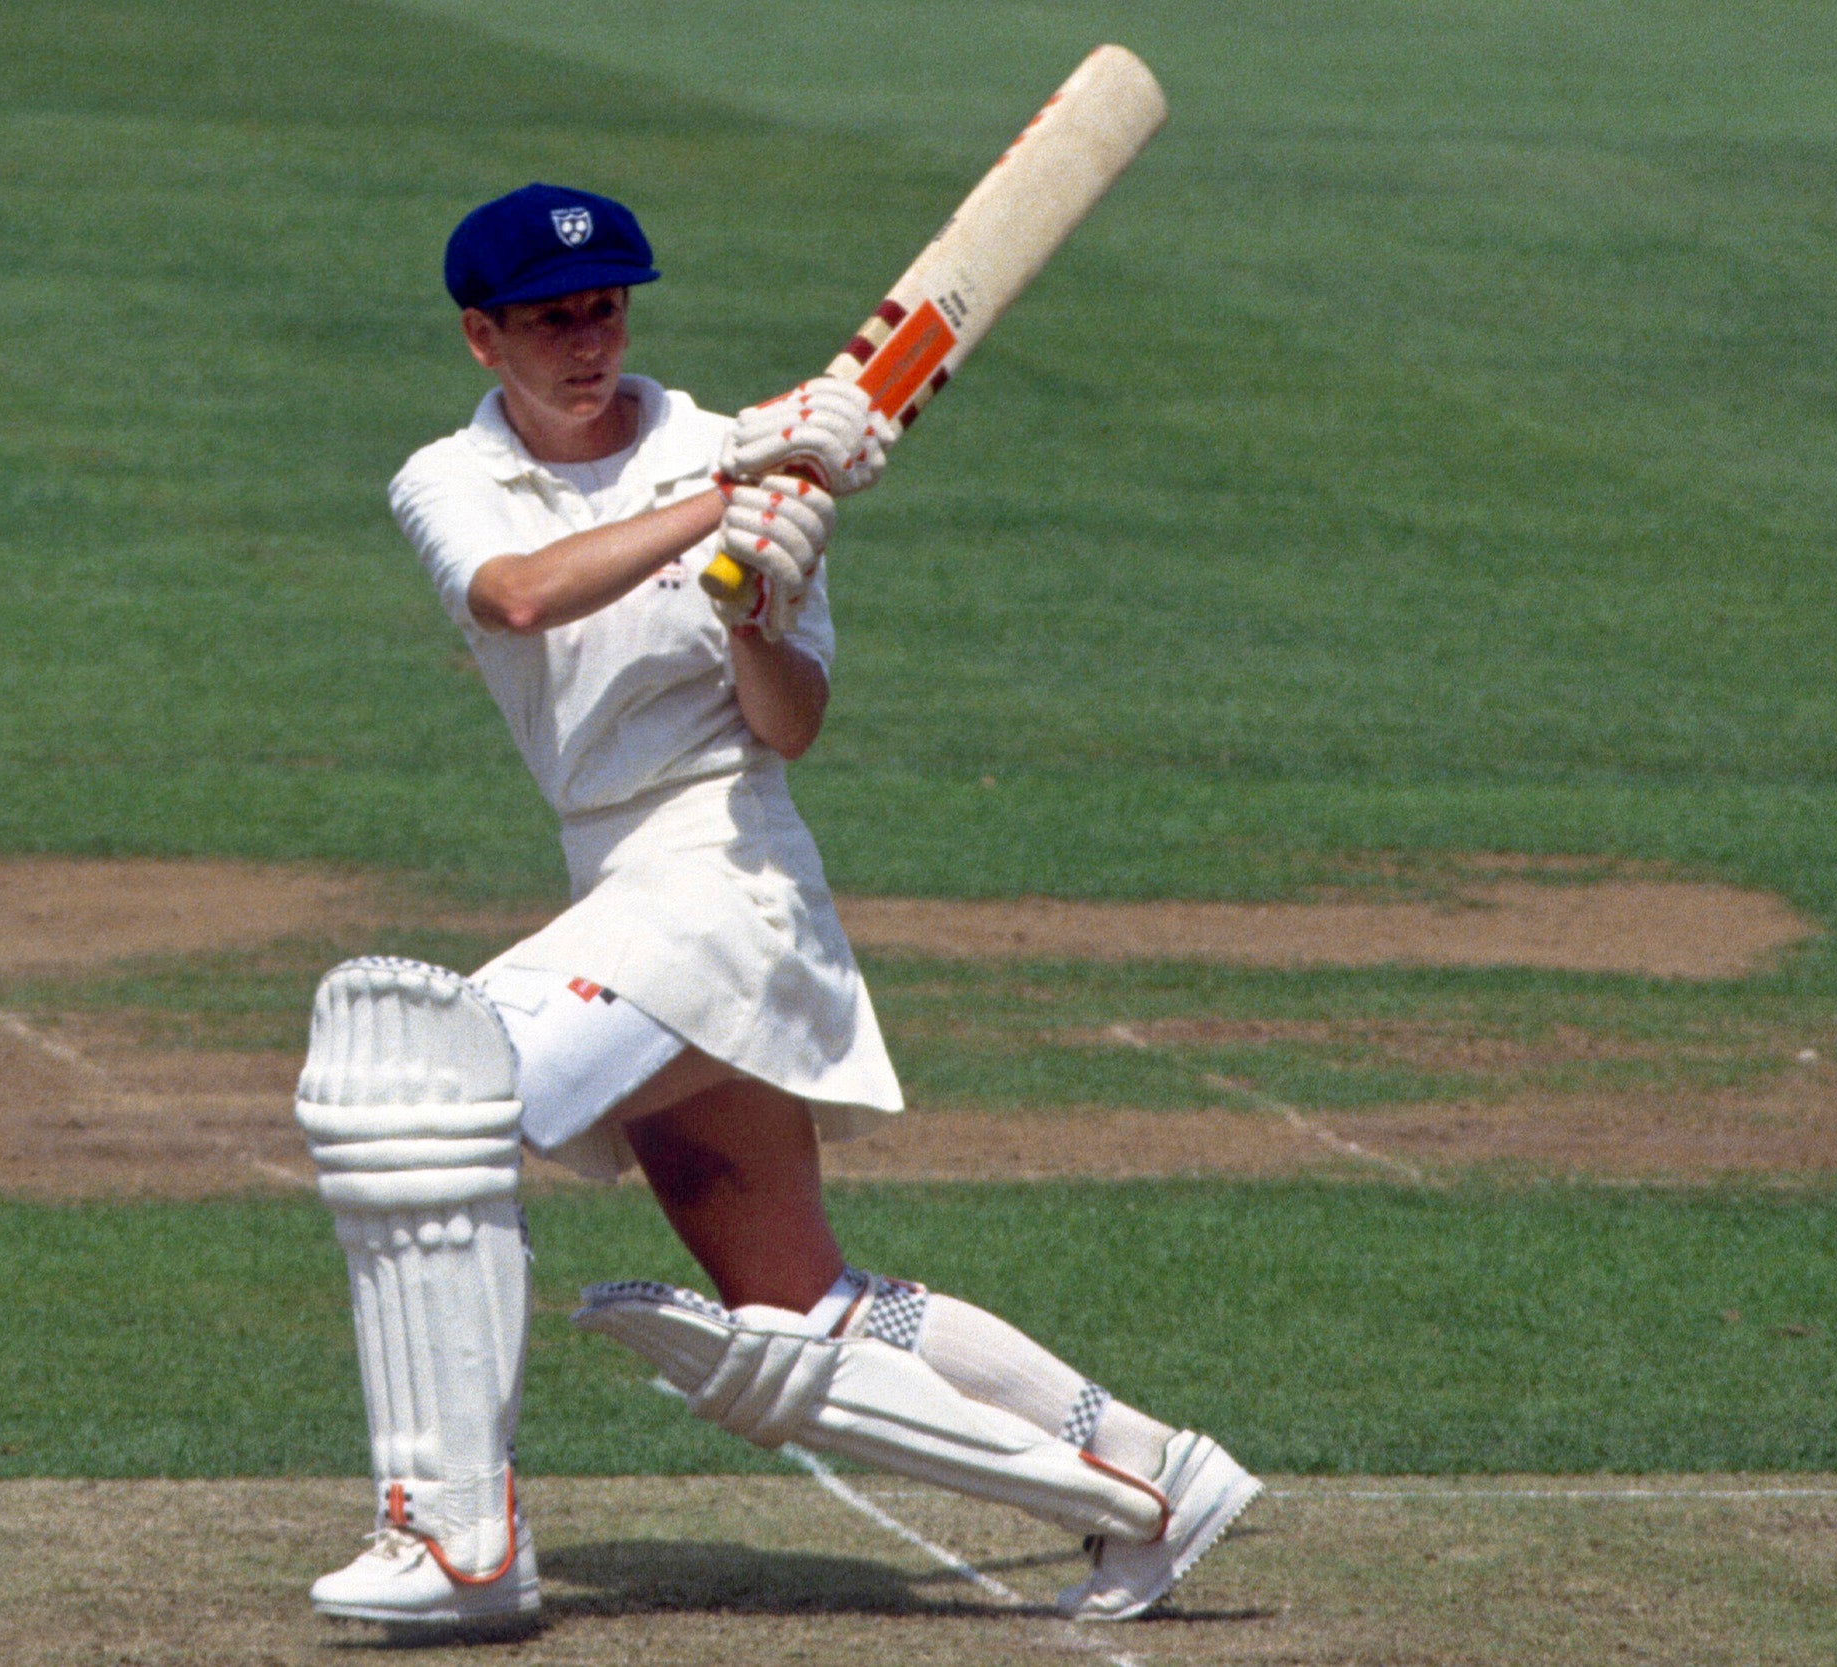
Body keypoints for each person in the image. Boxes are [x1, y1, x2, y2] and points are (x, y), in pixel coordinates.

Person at [291, 182, 1258, 1635]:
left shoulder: (754, 458)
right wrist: (728, 493)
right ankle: (1146, 1478)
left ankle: (456, 1541)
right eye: (550, 319)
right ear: (482, 335)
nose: (586, 339)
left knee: (418, 1087)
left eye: (606, 307)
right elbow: (516, 599)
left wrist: (757, 612)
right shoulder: (468, 475)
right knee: (803, 1310)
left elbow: (792, 722)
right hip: (618, 882)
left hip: (725, 884)